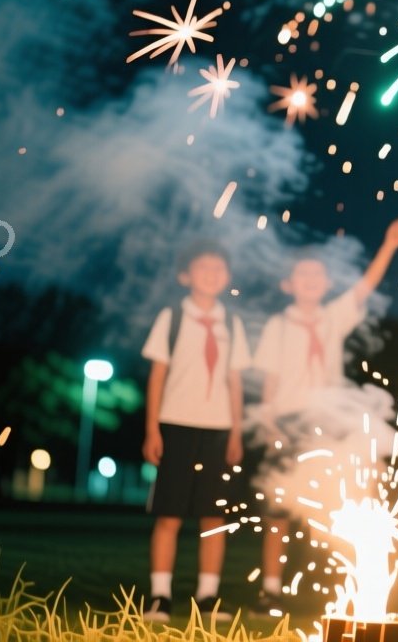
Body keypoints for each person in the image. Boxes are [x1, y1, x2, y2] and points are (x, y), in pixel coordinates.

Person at [250, 217, 398, 613]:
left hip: (332, 422)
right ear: (288, 284)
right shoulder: (277, 325)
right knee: (279, 511)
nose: (311, 278)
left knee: (332, 507)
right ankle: (270, 589)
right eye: (302, 273)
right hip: (288, 422)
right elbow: (269, 378)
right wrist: (269, 423)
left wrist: (389, 245)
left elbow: (365, 287)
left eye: (318, 274)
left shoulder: (333, 316)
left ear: (326, 284)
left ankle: (330, 591)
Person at [140, 241, 251, 623]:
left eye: (219, 268)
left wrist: (236, 432)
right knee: (169, 515)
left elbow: (235, 382)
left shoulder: (231, 323)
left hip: (219, 429)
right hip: (176, 425)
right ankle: (159, 595)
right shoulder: (172, 317)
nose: (212, 273)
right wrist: (152, 429)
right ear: (185, 275)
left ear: (228, 276)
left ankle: (207, 596)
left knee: (213, 516)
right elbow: (157, 375)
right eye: (203, 267)